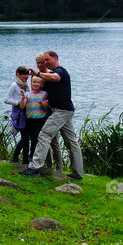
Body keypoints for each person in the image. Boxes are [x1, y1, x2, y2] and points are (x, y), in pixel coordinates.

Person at [27, 50, 84, 181]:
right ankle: (78, 173)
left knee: (44, 134)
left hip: (62, 111)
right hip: (64, 110)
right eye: (44, 61)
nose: (46, 63)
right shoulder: (49, 75)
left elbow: (55, 78)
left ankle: (34, 167)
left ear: (55, 58)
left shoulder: (60, 71)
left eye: (47, 60)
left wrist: (37, 73)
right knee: (71, 142)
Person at [18, 76, 49, 176]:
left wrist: (43, 104)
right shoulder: (28, 94)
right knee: (30, 138)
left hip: (40, 120)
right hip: (29, 119)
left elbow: (46, 108)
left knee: (36, 138)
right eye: (34, 82)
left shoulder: (44, 94)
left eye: (38, 83)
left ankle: (32, 156)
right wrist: (23, 97)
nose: (35, 84)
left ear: (42, 85)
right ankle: (30, 157)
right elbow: (22, 106)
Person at [3, 66, 31, 164]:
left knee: (25, 137)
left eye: (27, 73)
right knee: (25, 137)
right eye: (23, 73)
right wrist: (18, 102)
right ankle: (23, 160)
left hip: (26, 112)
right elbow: (6, 99)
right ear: (17, 74)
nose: (26, 76)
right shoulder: (15, 85)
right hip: (19, 114)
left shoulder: (26, 85)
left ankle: (18, 158)